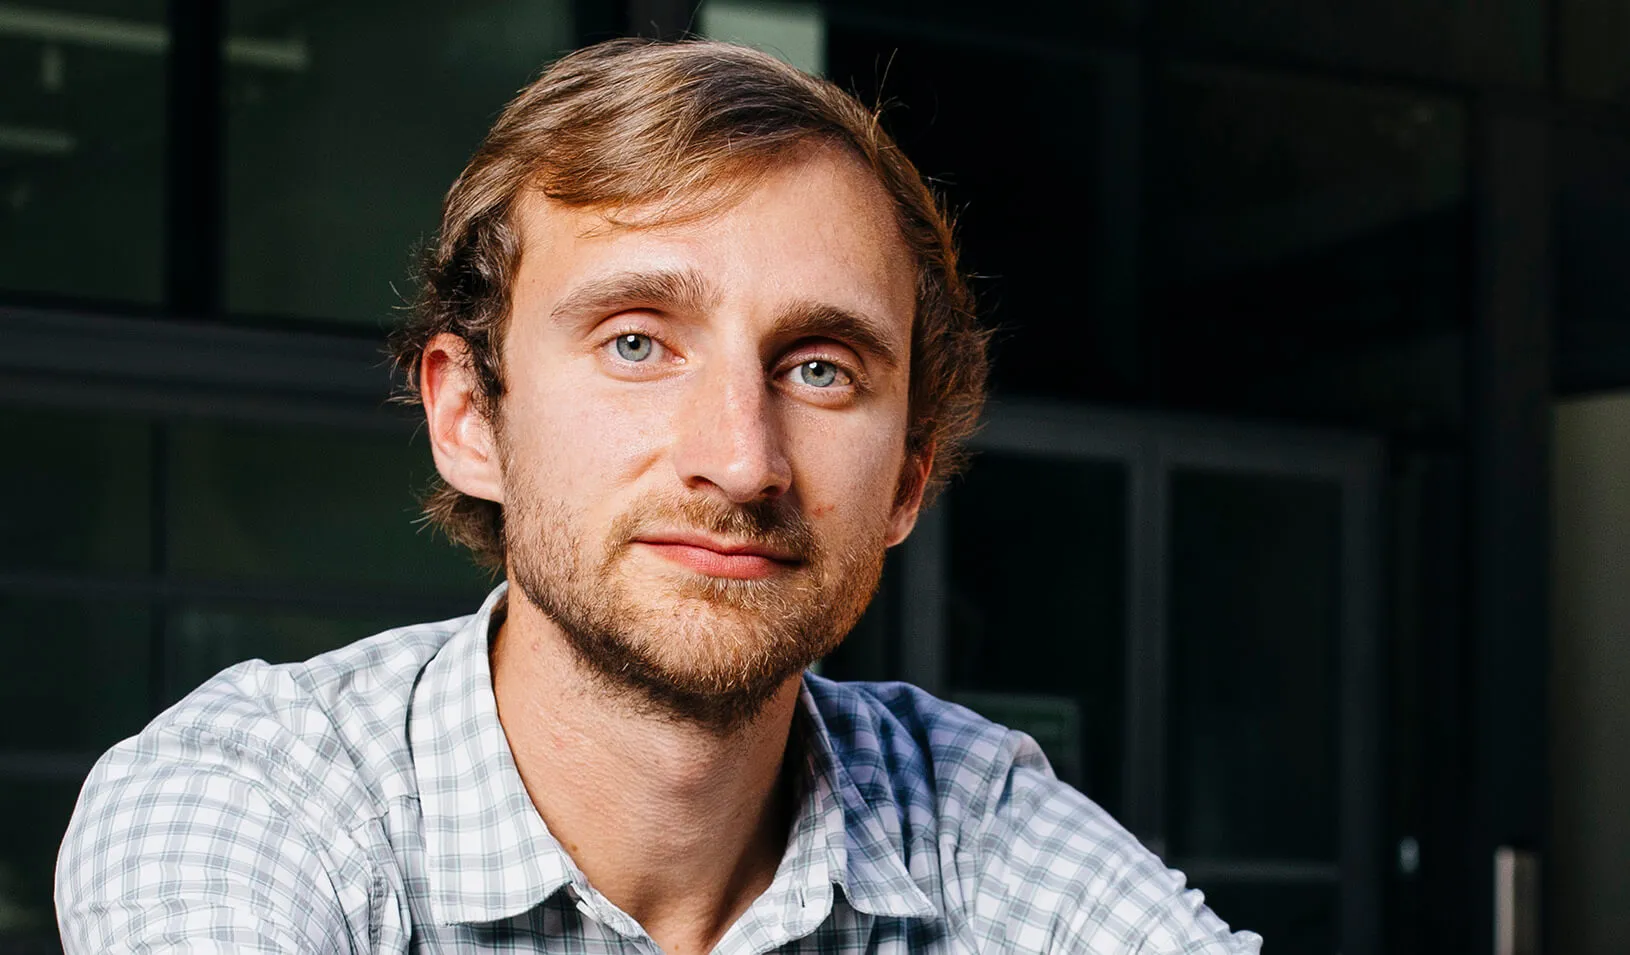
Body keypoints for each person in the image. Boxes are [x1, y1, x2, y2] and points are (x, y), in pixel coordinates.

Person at [56, 38, 1260, 954]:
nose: (741, 460)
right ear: (469, 417)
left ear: (906, 480)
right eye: (636, 342)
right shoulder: (257, 796)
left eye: (819, 368)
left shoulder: (969, 815)